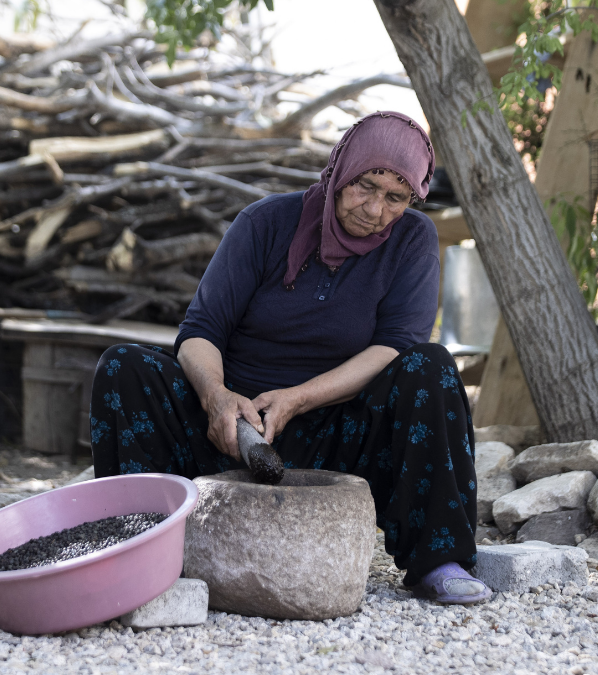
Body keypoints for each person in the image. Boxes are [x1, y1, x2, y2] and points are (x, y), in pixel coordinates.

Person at [90, 111, 490, 605]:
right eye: (365, 186)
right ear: (341, 170)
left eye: (396, 197)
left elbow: (395, 346)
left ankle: (440, 558)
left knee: (430, 366)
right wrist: (217, 398)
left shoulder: (412, 239)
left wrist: (297, 399)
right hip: (231, 429)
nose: (375, 209)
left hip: (340, 434)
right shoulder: (265, 223)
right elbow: (200, 331)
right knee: (123, 367)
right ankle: (135, 550)